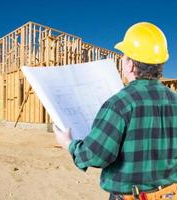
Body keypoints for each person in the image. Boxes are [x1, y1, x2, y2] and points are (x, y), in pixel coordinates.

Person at [53, 22, 177, 200]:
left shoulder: (120, 104)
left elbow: (96, 155)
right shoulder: (175, 101)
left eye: (124, 57)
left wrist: (68, 144)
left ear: (131, 65)